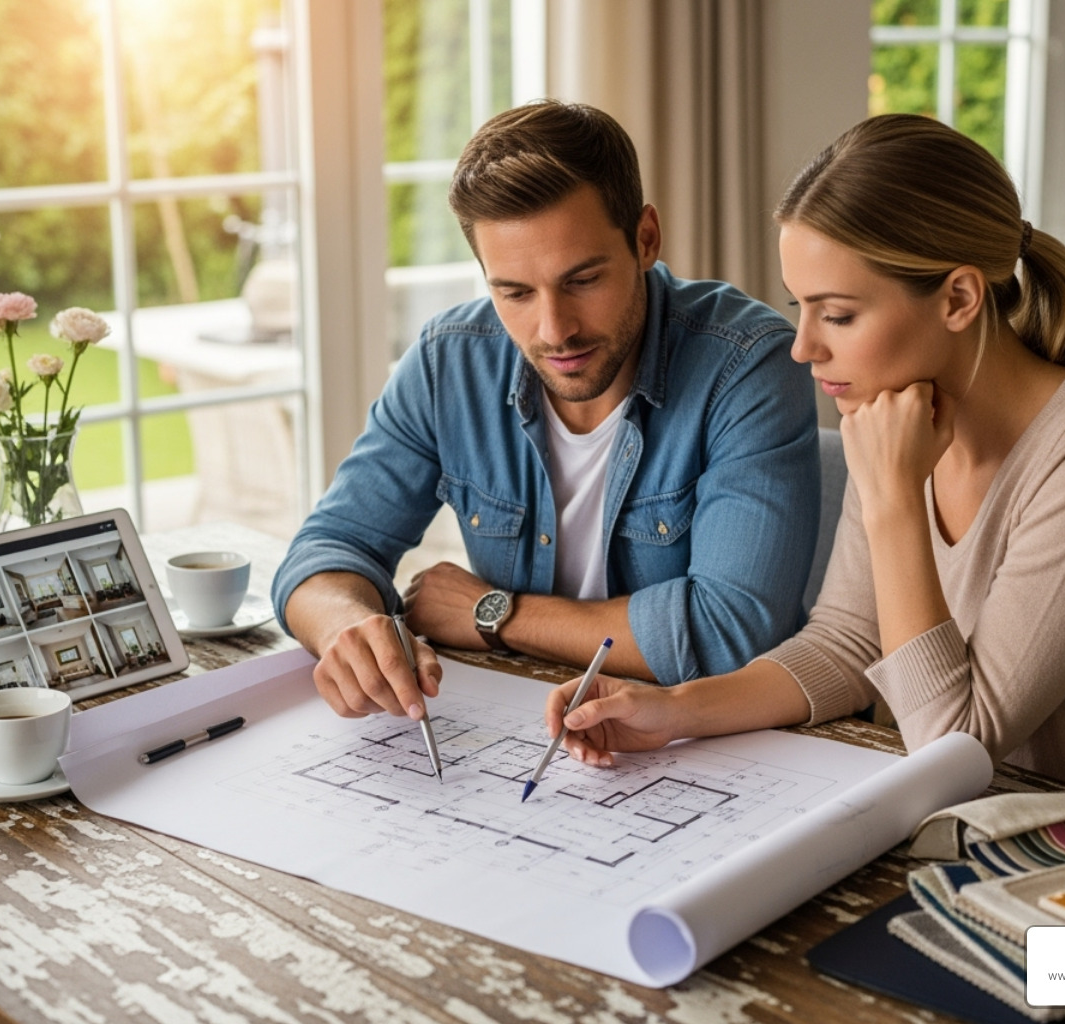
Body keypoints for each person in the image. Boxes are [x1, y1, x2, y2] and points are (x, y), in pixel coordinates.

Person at [543, 113, 1065, 838]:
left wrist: (893, 501)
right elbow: (847, 645)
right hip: (1003, 840)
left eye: (840, 315)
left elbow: (955, 743)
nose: (803, 348)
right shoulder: (897, 413)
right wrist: (672, 710)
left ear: (957, 298)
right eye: (803, 309)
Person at [272, 100, 820, 722]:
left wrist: (495, 613)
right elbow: (327, 550)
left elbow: (730, 632)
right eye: (515, 292)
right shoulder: (448, 362)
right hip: (517, 731)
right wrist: (349, 624)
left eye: (582, 280)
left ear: (645, 239)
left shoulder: (748, 363)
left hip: (711, 742)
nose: (555, 330)